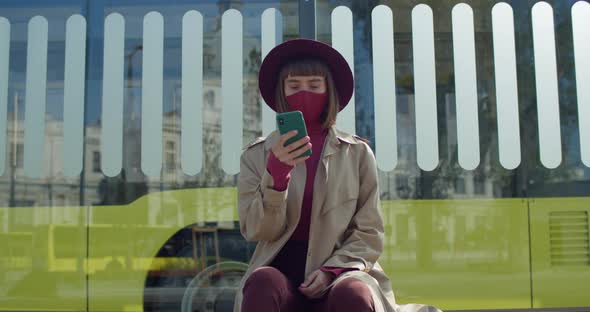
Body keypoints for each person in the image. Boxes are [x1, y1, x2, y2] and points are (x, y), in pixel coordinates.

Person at [234, 38, 440, 312]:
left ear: (329, 91)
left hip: (341, 271)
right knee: (261, 283)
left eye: (315, 85)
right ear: (281, 92)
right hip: (281, 273)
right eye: (294, 86)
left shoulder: (357, 153)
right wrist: (277, 175)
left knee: (354, 292)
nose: (304, 93)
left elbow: (369, 232)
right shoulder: (256, 155)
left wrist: (333, 270)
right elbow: (257, 230)